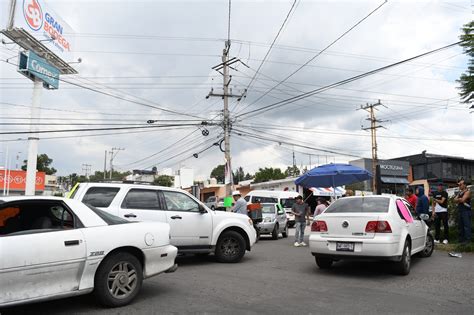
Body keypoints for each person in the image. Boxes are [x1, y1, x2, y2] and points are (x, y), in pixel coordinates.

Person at [454, 178, 471, 245]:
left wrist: (459, 199)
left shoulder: (467, 192)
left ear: (465, 185)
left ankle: (467, 241)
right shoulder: (460, 192)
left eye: (460, 184)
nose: (459, 186)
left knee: (466, 226)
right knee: (460, 226)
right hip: (460, 210)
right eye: (459, 185)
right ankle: (461, 240)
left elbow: (462, 200)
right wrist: (459, 199)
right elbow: (454, 200)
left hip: (466, 211)